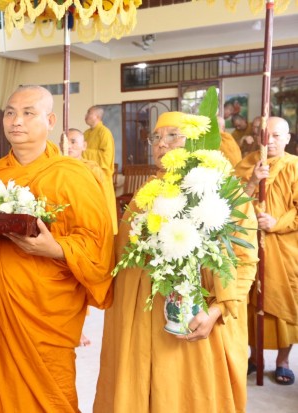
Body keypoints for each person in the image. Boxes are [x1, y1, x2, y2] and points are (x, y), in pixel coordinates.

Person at [94, 112, 259, 412]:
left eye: (173, 136)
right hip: (141, 318)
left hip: (197, 321)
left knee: (188, 397)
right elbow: (120, 255)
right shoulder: (145, 194)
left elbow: (245, 261)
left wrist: (217, 310)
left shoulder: (223, 190)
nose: (162, 144)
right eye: (156, 137)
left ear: (196, 141)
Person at [0, 86, 114, 412]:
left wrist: (57, 248)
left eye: (28, 113)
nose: (16, 121)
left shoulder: (72, 174)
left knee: (51, 397)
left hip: (44, 310)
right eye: (10, 113)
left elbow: (97, 242)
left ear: (50, 121)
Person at [234, 116, 298, 386]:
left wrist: (276, 223)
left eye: (276, 136)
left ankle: (283, 361)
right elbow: (231, 205)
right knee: (250, 301)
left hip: (285, 247)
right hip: (249, 244)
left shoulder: (294, 166)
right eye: (265, 135)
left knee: (285, 303)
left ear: (287, 139)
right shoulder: (247, 164)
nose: (269, 141)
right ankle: (254, 357)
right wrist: (252, 181)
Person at [67, 128, 117, 235]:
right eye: (64, 142)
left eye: (73, 142)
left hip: (87, 221)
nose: (68, 146)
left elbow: (100, 201)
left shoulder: (92, 169)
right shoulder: (57, 167)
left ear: (84, 146)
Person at [82, 106, 115, 185]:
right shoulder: (86, 133)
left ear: (97, 116)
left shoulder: (104, 132)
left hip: (100, 177)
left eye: (89, 113)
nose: (85, 115)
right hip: (87, 174)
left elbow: (106, 157)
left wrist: (82, 152)